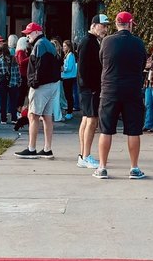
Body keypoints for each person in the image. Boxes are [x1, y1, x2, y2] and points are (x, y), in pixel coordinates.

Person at [93, 12, 148, 180]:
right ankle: (134, 168)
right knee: (133, 131)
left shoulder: (107, 41)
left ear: (116, 24)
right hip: (132, 90)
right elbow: (142, 65)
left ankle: (102, 167)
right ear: (130, 24)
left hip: (110, 89)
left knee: (106, 130)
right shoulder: (138, 43)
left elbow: (102, 61)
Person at [14, 22, 58, 159]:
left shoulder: (39, 45)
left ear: (38, 32)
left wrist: (33, 83)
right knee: (47, 117)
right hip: (51, 85)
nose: (28, 36)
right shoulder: (49, 44)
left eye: (29, 33)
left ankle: (31, 148)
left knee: (33, 116)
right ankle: (47, 148)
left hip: (41, 87)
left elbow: (41, 67)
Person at [75, 14, 110, 168]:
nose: (105, 29)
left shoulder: (93, 41)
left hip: (88, 88)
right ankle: (86, 155)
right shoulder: (88, 42)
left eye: (107, 26)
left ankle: (83, 154)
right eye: (103, 26)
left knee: (86, 119)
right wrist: (91, 87)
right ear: (94, 25)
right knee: (91, 120)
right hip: (90, 88)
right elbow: (82, 68)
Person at [0, 41, 15, 124]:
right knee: (12, 100)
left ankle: (3, 119)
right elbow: (16, 70)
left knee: (3, 100)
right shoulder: (13, 58)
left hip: (2, 81)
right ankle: (14, 118)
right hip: (12, 80)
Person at [61, 39, 77, 120]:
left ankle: (70, 112)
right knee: (68, 95)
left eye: (64, 46)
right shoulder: (68, 55)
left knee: (69, 95)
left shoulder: (70, 55)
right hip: (66, 77)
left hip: (68, 77)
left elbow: (69, 67)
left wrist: (62, 68)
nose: (63, 48)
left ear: (68, 47)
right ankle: (69, 109)